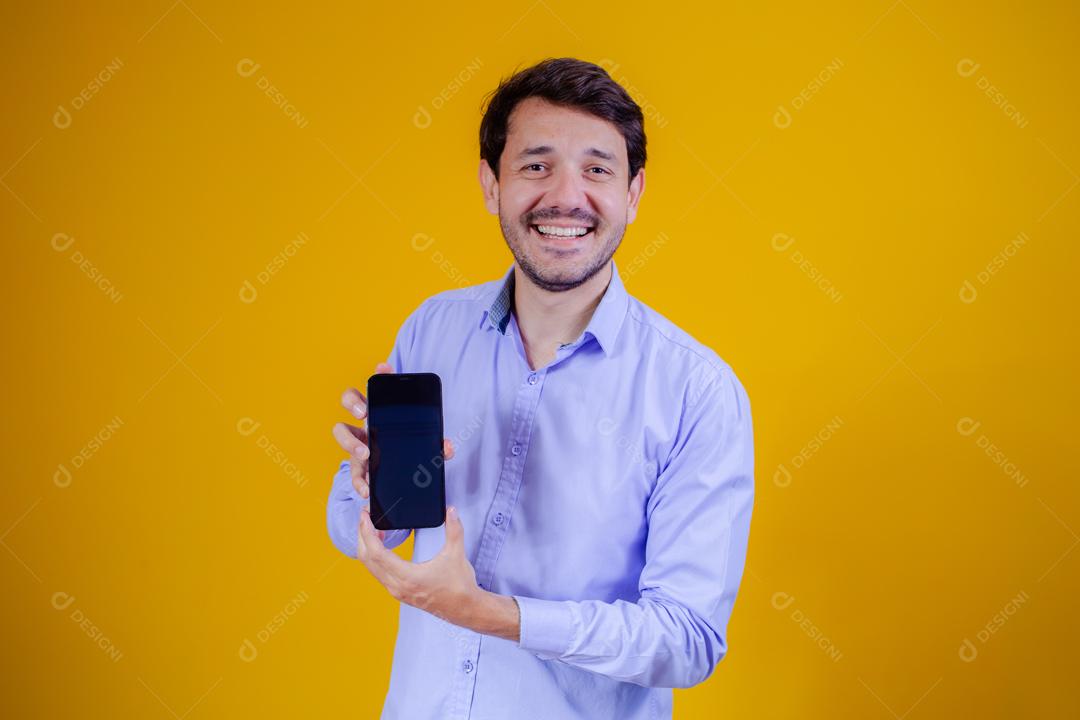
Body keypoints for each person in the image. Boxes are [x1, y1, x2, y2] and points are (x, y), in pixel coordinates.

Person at [327, 57, 754, 720]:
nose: (565, 195)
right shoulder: (434, 328)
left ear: (634, 194)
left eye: (597, 169)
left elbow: (686, 640)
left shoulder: (696, 391)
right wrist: (366, 482)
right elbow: (354, 528)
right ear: (491, 185)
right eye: (535, 164)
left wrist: (490, 614)